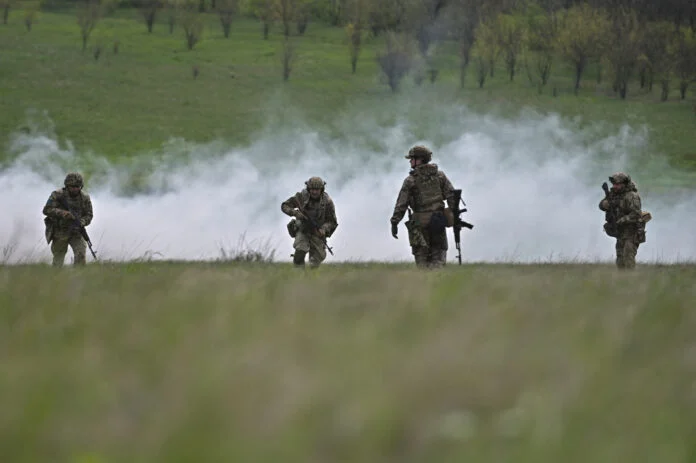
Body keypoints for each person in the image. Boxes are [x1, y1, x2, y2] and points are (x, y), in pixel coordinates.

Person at [390, 145, 457, 268]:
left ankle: (423, 285)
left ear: (419, 160)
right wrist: (454, 216)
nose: (410, 161)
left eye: (412, 158)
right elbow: (452, 197)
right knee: (439, 261)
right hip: (439, 222)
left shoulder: (411, 180)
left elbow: (401, 204)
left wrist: (394, 222)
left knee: (422, 262)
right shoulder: (440, 176)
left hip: (419, 226)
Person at [281, 176, 338, 268]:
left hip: (317, 232)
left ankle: (311, 279)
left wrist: (324, 229)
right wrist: (295, 213)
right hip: (303, 229)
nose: (314, 192)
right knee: (300, 251)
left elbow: (332, 222)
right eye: (312, 189)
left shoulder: (327, 202)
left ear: (321, 190)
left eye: (317, 189)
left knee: (315, 261)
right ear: (308, 188)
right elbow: (285, 206)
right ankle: (298, 275)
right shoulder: (301, 197)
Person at [43, 172, 94, 267]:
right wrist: (63, 213)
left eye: (77, 186)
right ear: (67, 186)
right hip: (60, 231)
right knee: (58, 259)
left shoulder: (84, 198)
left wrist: (81, 222)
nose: (75, 189)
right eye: (72, 186)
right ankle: (56, 278)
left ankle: (79, 277)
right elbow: (46, 210)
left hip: (76, 232)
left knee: (81, 255)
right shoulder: (57, 195)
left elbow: (89, 215)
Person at [599, 172, 649, 269]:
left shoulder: (632, 196)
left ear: (624, 184)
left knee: (628, 258)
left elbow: (635, 214)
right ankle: (623, 280)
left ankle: (631, 280)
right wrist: (605, 204)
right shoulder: (613, 194)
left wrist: (620, 221)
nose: (615, 186)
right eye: (614, 184)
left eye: (617, 184)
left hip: (631, 231)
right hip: (620, 232)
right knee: (620, 259)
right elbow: (601, 205)